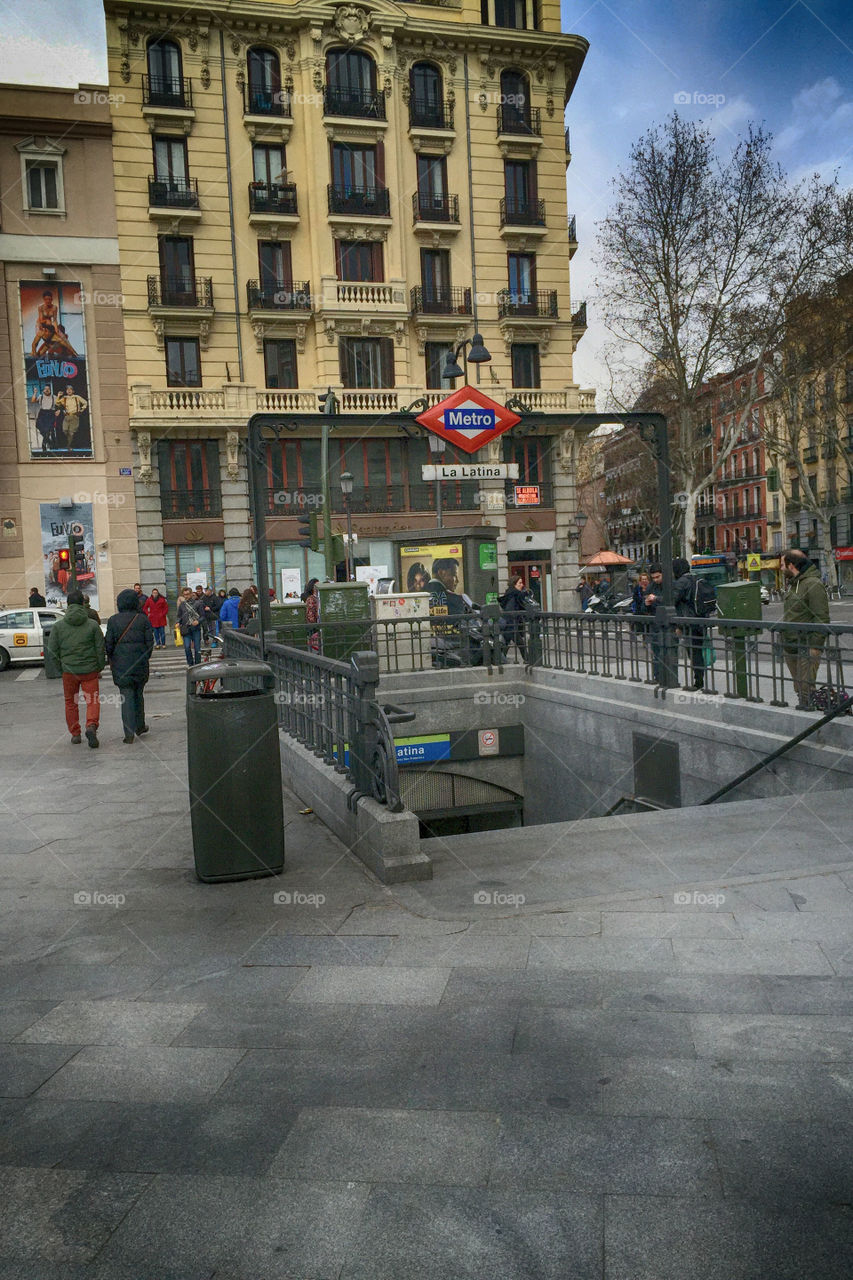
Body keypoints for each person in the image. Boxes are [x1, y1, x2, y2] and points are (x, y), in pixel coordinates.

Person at [47, 588, 106, 748]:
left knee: (70, 702)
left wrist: (61, 668)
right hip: (89, 670)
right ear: (83, 603)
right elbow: (100, 649)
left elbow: (52, 650)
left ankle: (75, 733)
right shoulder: (92, 625)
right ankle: (91, 726)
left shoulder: (58, 627)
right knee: (92, 700)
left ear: (67, 604)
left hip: (68, 671)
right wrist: (99, 667)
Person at [781, 549, 830, 710]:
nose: (781, 569)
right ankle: (806, 709)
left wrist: (815, 647)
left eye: (782, 565)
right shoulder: (795, 583)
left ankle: (809, 713)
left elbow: (821, 617)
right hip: (791, 644)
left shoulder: (812, 584)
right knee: (799, 687)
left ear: (791, 565)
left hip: (807, 645)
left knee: (805, 687)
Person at [105, 589, 154, 743]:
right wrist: (144, 657)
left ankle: (128, 733)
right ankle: (140, 726)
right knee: (139, 694)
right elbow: (150, 644)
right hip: (139, 664)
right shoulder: (143, 619)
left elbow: (109, 644)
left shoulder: (113, 620)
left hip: (121, 666)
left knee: (126, 697)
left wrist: (113, 659)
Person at [671, 556, 706, 690]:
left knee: (693, 652)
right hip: (699, 620)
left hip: (688, 622)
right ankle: (699, 679)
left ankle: (698, 682)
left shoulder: (681, 582)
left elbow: (672, 600)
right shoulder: (695, 578)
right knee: (697, 651)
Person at [498, 575, 535, 660]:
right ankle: (527, 659)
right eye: (520, 583)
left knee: (506, 643)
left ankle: (500, 659)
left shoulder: (510, 593)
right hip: (511, 624)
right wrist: (526, 593)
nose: (522, 585)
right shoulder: (516, 594)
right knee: (519, 643)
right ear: (514, 584)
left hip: (508, 623)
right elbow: (521, 602)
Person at [641, 564, 667, 684]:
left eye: (658, 577)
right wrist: (646, 604)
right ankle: (658, 677)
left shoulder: (669, 585)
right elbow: (643, 608)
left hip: (667, 624)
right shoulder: (651, 587)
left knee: (668, 652)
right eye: (654, 577)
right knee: (656, 652)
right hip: (656, 625)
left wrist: (656, 598)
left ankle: (668, 677)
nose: (656, 580)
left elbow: (672, 600)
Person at [54, 385, 87, 451]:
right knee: (65, 430)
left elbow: (85, 403)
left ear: (73, 391)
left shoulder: (76, 397)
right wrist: (58, 396)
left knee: (71, 432)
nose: (69, 391)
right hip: (66, 416)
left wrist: (81, 410)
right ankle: (70, 444)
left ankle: (69, 446)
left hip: (74, 416)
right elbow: (57, 403)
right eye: (67, 389)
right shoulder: (64, 398)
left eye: (70, 389)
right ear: (66, 391)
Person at [177, 586, 203, 665]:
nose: (186, 596)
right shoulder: (182, 605)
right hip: (186, 629)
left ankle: (197, 664)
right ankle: (190, 664)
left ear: (191, 594)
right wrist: (178, 622)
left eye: (188, 594)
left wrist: (198, 621)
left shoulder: (198, 603)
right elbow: (179, 616)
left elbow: (203, 616)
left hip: (196, 628)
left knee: (197, 648)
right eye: (184, 595)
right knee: (187, 648)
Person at [301, 578, 320, 651]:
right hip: (315, 627)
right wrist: (315, 625)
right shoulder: (311, 599)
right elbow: (310, 614)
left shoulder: (317, 598)